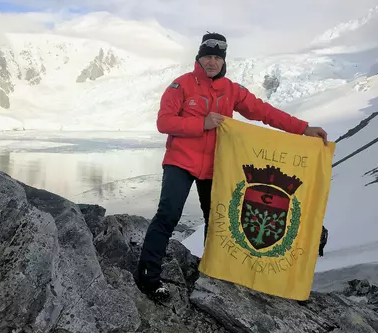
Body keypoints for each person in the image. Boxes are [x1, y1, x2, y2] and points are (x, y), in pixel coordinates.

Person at [133, 32, 328, 300]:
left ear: (223, 61)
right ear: (198, 58)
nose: (212, 62)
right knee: (168, 214)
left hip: (215, 167)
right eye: (207, 57)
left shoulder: (231, 90)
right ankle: (148, 277)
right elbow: (164, 122)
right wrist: (201, 123)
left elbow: (265, 112)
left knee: (216, 221)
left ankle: (211, 273)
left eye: (217, 57)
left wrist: (304, 129)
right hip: (180, 161)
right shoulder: (180, 86)